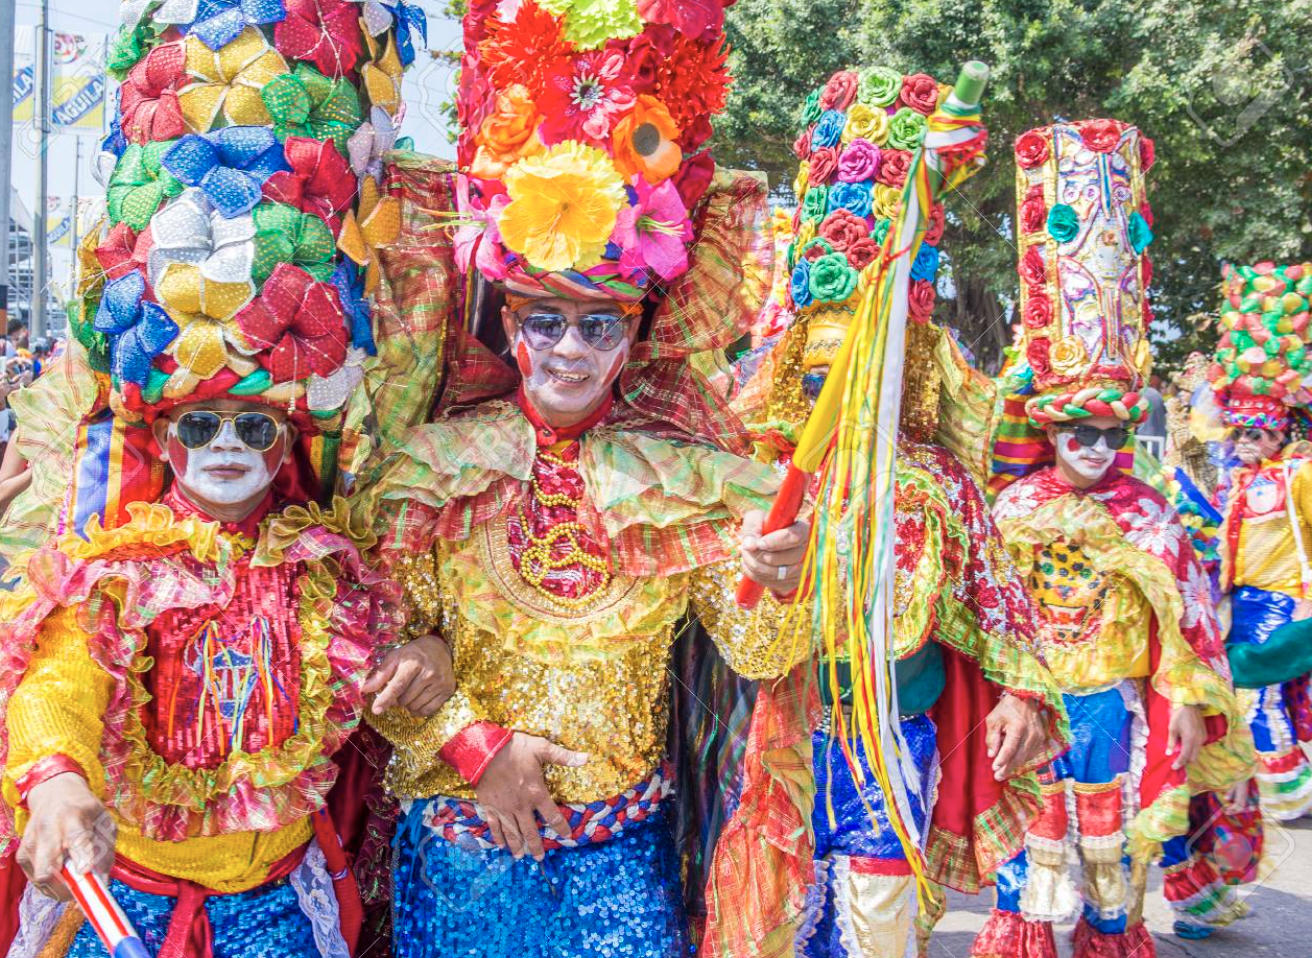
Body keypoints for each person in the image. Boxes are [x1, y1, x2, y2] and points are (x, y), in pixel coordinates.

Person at [352, 5, 827, 956]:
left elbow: (759, 651)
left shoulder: (688, 483)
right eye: (545, 322)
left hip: (621, 865)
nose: (568, 349)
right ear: (510, 325)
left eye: (599, 324)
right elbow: (370, 648)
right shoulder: (431, 473)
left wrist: (779, 582)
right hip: (463, 858)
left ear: (635, 336)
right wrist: (475, 749)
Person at [0, 3, 433, 955]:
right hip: (136, 916)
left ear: (287, 442)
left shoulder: (325, 571)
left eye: (254, 423)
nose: (227, 442)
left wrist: (439, 682)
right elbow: (61, 677)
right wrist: (58, 777)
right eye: (201, 421)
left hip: (283, 912)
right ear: (167, 432)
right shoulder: (120, 569)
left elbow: (389, 684)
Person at [748, 67, 1067, 958]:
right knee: (774, 911)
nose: (837, 400)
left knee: (877, 915)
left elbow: (1000, 603)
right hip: (771, 732)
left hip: (892, 737)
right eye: (819, 375)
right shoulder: (750, 471)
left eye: (859, 373)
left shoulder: (935, 483)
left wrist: (1021, 695)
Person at [973, 120, 1252, 958]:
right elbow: (990, 614)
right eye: (1076, 432)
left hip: (1111, 704)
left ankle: (1109, 935)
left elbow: (1190, 622)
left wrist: (1191, 712)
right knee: (1031, 828)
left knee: (1109, 832)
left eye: (1107, 433)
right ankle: (1023, 934)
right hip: (1031, 702)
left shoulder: (1149, 512)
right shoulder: (1013, 510)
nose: (1092, 448)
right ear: (1050, 433)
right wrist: (1008, 692)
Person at [1207, 260, 1312, 821]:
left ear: (1279, 433)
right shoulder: (1240, 478)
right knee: (1258, 690)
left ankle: (1282, 793)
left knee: (1260, 689)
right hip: (1243, 601)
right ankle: (1281, 781)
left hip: (1284, 599)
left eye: (1258, 433)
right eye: (1241, 432)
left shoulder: (1299, 475)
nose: (1247, 441)